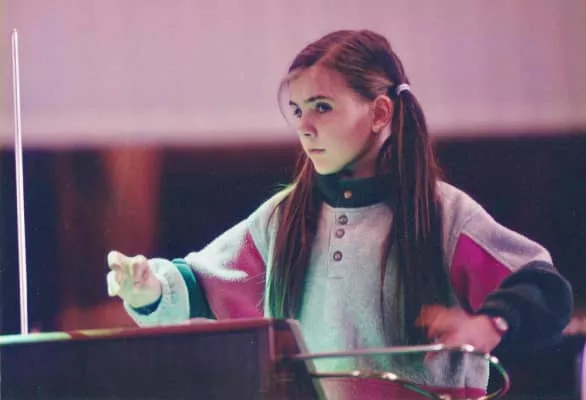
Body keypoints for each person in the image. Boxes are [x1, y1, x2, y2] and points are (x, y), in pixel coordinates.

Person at [106, 29, 573, 399]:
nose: (304, 127)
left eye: (322, 107)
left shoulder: (443, 214)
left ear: (380, 113)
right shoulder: (283, 217)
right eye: (297, 110)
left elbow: (544, 288)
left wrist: (489, 324)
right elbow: (200, 285)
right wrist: (147, 287)